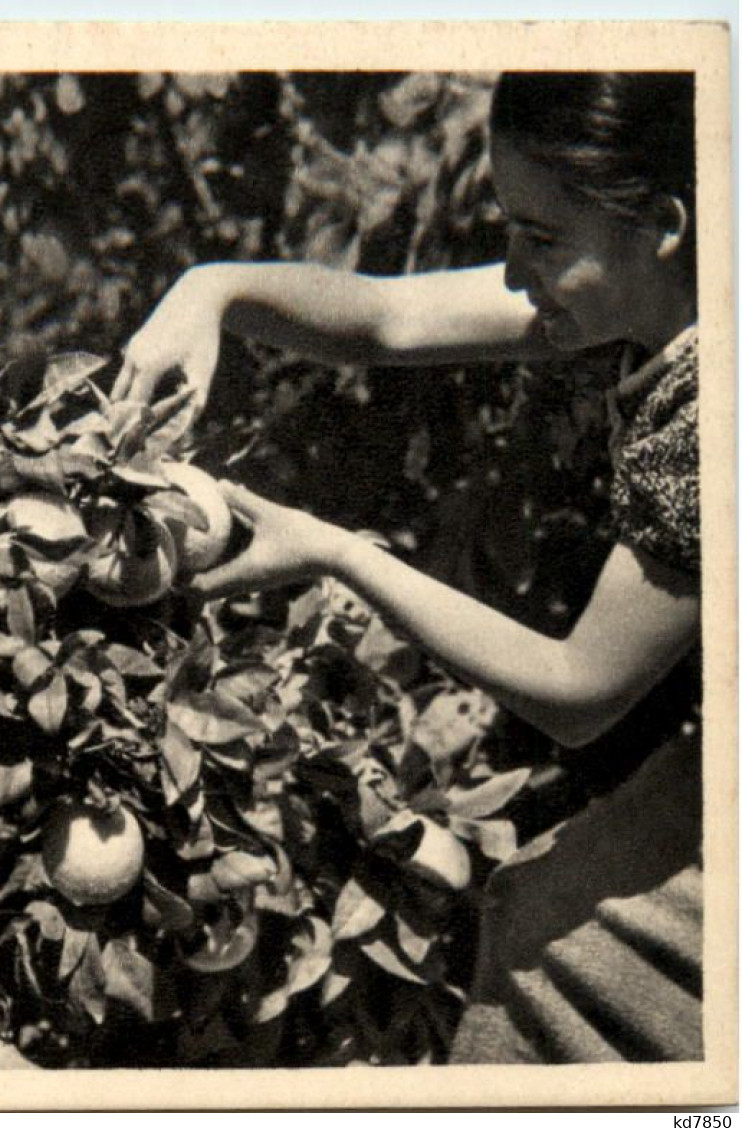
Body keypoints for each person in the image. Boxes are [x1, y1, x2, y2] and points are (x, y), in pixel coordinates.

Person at [114, 72, 699, 1064]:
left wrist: (337, 552)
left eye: (541, 240)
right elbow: (388, 319)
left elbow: (575, 691)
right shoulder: (651, 290)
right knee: (537, 908)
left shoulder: (708, 408)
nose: (513, 275)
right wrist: (211, 288)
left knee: (559, 962)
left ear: (665, 222)